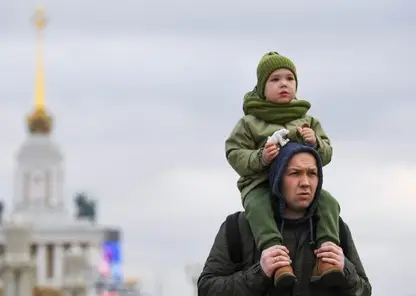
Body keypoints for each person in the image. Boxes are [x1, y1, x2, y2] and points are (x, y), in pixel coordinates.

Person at [225, 51, 342, 287]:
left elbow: (327, 153)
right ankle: (278, 260)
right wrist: (261, 157)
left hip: (298, 187)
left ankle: (326, 256)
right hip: (260, 184)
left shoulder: (307, 120)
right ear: (262, 86)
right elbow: (234, 152)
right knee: (258, 207)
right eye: (275, 79)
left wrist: (315, 144)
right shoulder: (249, 122)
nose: (283, 84)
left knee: (329, 202)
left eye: (289, 78)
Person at [198, 142, 372, 296]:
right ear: (277, 178)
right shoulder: (238, 227)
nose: (305, 182)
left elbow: (364, 291)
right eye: (295, 173)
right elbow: (206, 289)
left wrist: (346, 269)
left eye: (312, 173)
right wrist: (259, 273)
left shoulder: (336, 227)